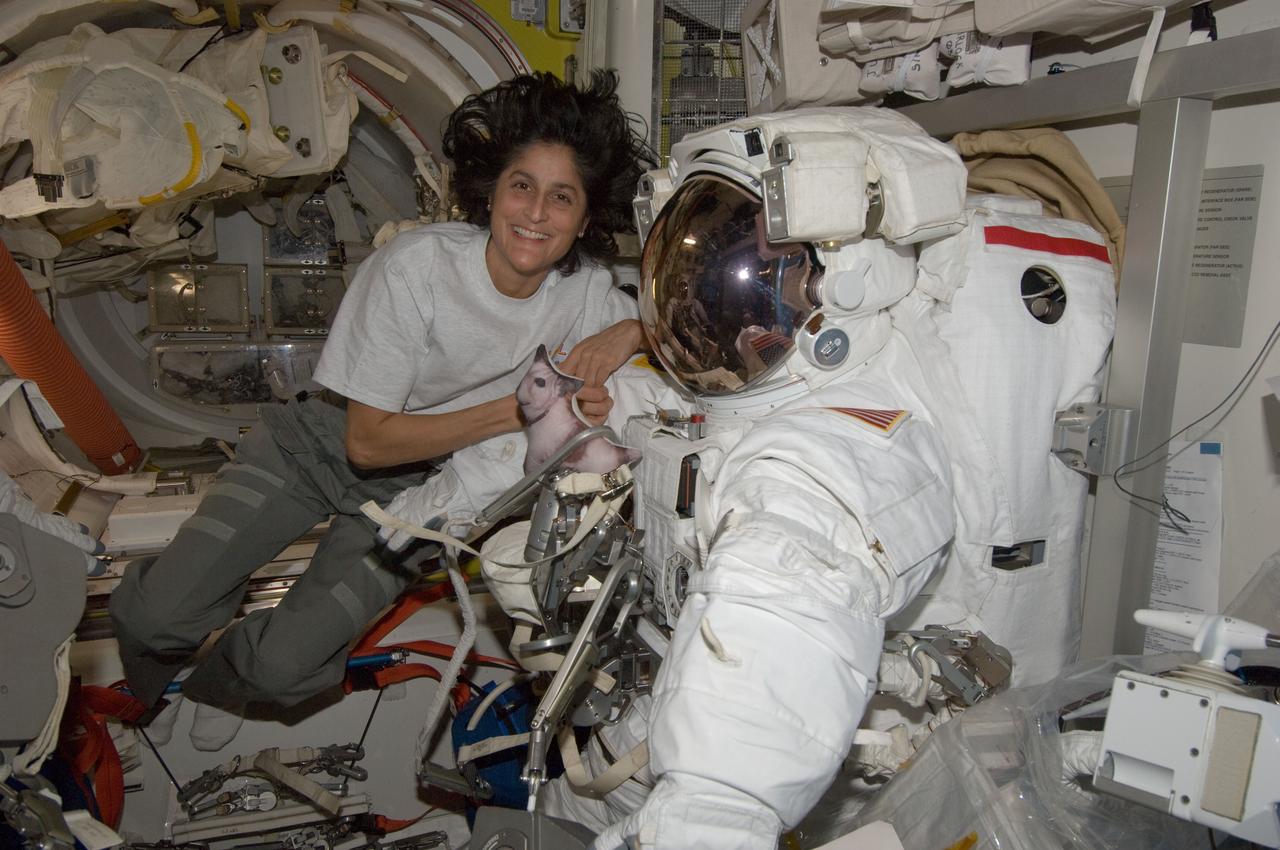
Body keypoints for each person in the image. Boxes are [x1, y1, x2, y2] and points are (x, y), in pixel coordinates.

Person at [108, 70, 656, 731]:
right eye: (522, 186)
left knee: (284, 670)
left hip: (417, 495)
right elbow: (366, 443)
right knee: (157, 616)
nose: (537, 213)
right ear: (490, 193)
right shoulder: (416, 269)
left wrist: (629, 328)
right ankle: (147, 675)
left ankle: (201, 687)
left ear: (585, 218)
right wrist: (524, 409)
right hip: (318, 448)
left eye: (561, 197)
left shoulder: (587, 289)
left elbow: (681, 317)